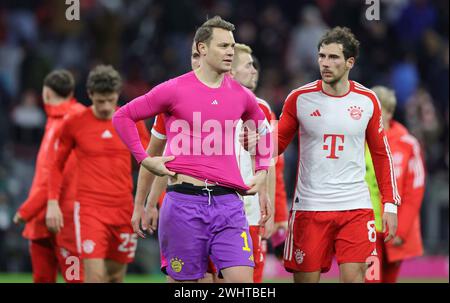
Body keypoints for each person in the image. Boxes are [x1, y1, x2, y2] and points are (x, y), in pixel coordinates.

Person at [112, 16, 272, 283]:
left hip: (230, 204)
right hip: (184, 202)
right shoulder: (173, 90)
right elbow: (123, 117)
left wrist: (263, 170)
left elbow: (265, 132)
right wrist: (144, 159)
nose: (230, 52)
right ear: (202, 48)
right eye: (223, 46)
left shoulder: (242, 95)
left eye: (232, 46)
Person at [277, 26, 400, 283]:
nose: (325, 63)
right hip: (310, 207)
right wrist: (250, 145)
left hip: (355, 207)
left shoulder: (368, 100)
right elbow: (275, 146)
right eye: (322, 56)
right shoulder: (299, 98)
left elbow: (381, 154)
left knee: (355, 280)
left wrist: (390, 204)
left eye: (333, 57)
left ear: (349, 62)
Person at [47, 65, 150, 283]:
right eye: (100, 100)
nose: (105, 107)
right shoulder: (74, 124)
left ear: (118, 95)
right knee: (95, 278)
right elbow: (56, 165)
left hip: (123, 209)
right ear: (90, 94)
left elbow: (150, 164)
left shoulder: (132, 122)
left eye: (110, 100)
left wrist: (154, 202)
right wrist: (52, 202)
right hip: (89, 210)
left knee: (114, 277)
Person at [13, 70, 85, 283]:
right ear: (71, 91)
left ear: (45, 93)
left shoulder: (72, 120)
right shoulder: (58, 118)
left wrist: (26, 210)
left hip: (63, 215)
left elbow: (58, 173)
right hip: (48, 216)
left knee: (74, 278)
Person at [365, 86, 425, 283]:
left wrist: (402, 229)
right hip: (367, 227)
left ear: (390, 113)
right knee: (370, 280)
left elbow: (414, 191)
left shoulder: (408, 144)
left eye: (378, 113)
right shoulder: (359, 141)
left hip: (394, 228)